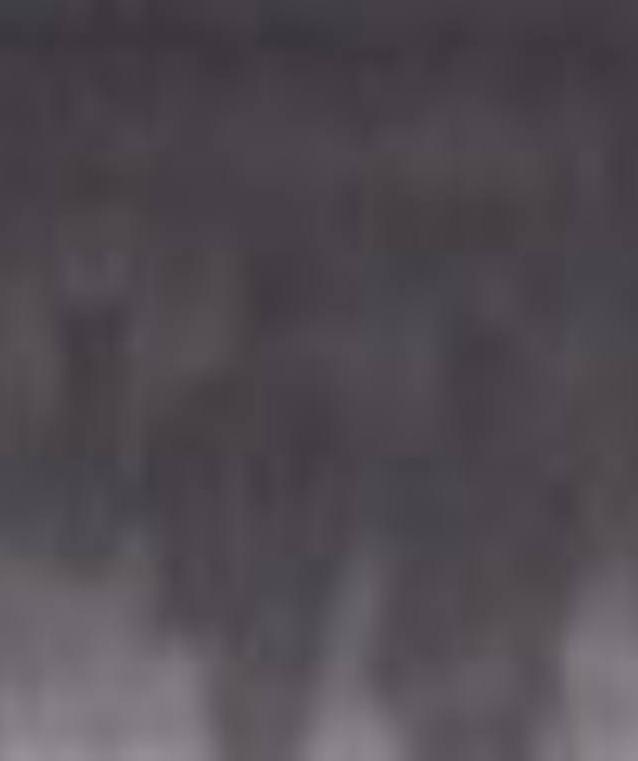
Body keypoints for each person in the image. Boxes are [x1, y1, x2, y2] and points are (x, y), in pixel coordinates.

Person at [142, 245, 357, 761]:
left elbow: (170, 501)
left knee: (235, 727)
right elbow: (334, 509)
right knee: (277, 729)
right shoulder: (318, 401)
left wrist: (180, 597)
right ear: (295, 320)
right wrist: (322, 584)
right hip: (286, 599)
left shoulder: (203, 397)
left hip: (228, 598)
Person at [369, 302, 586, 761]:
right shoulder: (539, 461)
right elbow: (564, 564)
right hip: (505, 653)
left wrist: (388, 650)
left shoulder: (420, 461)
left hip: (437, 651)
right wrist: (543, 640)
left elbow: (398, 557)